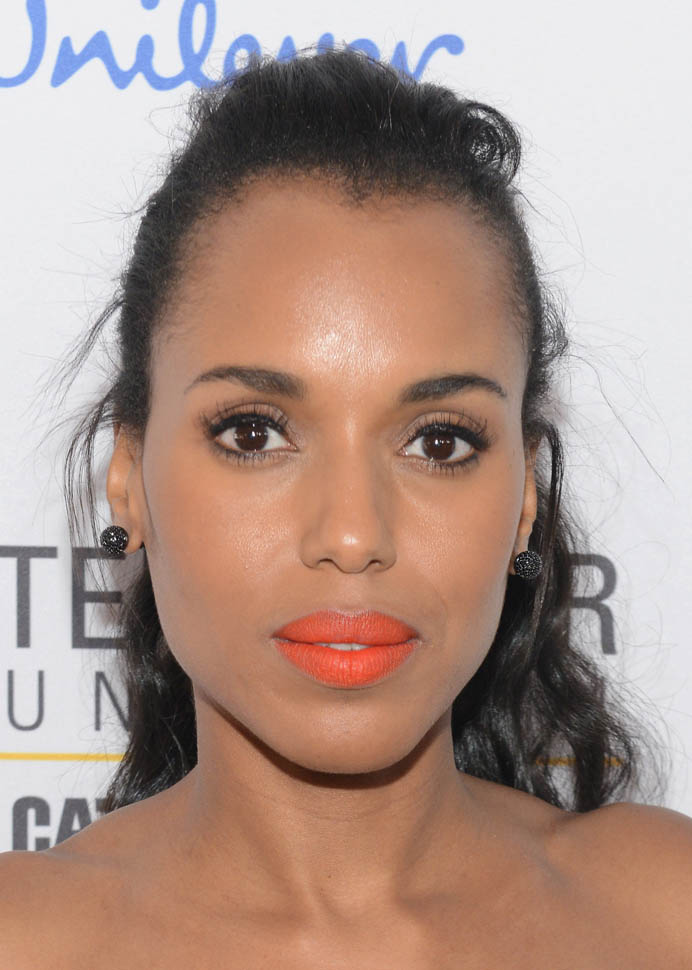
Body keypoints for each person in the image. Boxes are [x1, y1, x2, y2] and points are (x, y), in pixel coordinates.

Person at [1, 45, 691, 968]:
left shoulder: (664, 913)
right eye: (254, 433)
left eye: (439, 442)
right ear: (128, 473)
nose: (355, 534)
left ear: (525, 497)